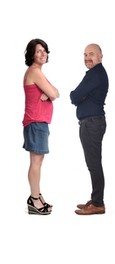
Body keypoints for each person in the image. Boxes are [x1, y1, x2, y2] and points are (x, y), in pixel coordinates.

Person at [71, 43, 109, 215]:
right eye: (85, 54)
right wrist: (80, 96)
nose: (87, 57)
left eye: (91, 54)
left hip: (92, 123)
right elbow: (78, 96)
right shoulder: (94, 74)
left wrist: (80, 97)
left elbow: (75, 95)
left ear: (101, 56)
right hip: (91, 122)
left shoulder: (95, 74)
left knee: (94, 164)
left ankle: (98, 203)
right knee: (93, 163)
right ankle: (95, 199)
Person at [22, 38, 59, 215]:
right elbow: (54, 92)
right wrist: (49, 93)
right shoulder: (35, 72)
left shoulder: (38, 73)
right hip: (35, 122)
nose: (43, 53)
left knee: (38, 162)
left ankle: (37, 196)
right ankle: (34, 200)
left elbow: (55, 93)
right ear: (32, 54)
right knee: (36, 163)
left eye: (44, 50)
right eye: (38, 51)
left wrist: (51, 93)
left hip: (39, 122)